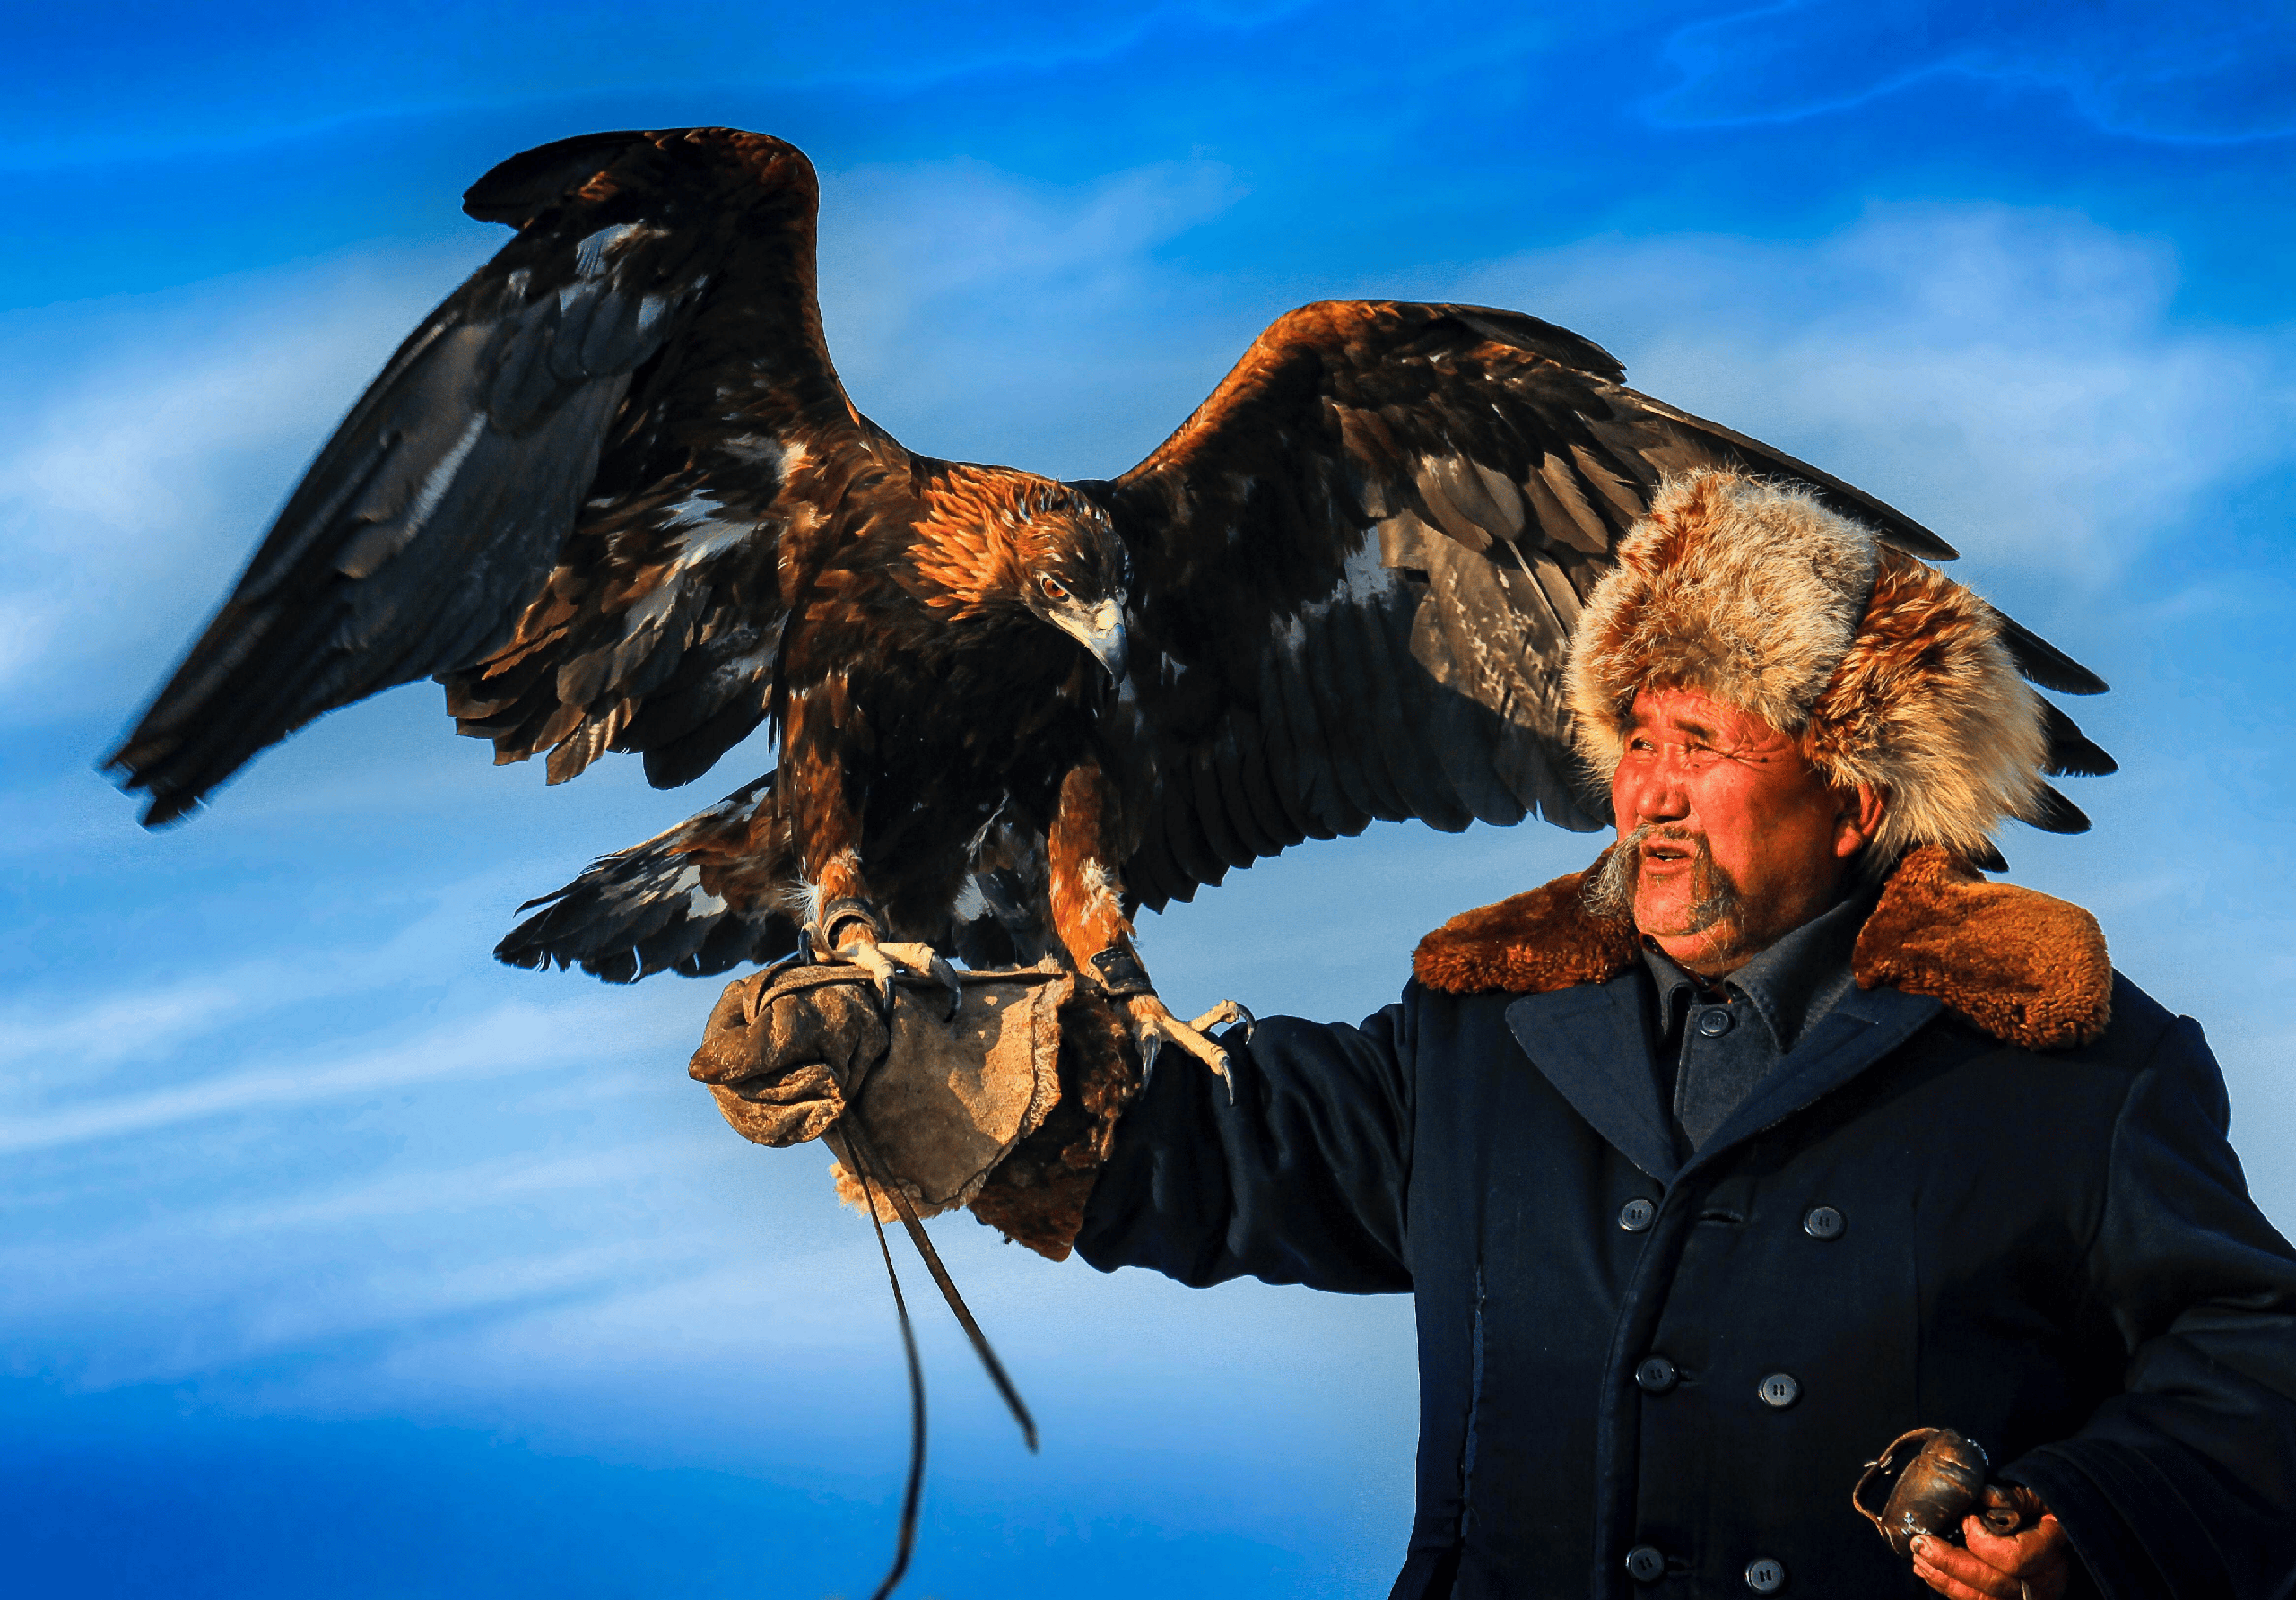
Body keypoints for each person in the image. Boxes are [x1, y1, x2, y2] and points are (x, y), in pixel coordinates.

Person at [1060, 473, 2296, 1598]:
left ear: (1854, 801)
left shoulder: (2064, 1059)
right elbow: (1244, 1143)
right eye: (1636, 739)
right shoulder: (1489, 1032)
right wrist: (1018, 1079)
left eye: (1700, 745)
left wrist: (2083, 1515)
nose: (1647, 790)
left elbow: (2261, 1361)